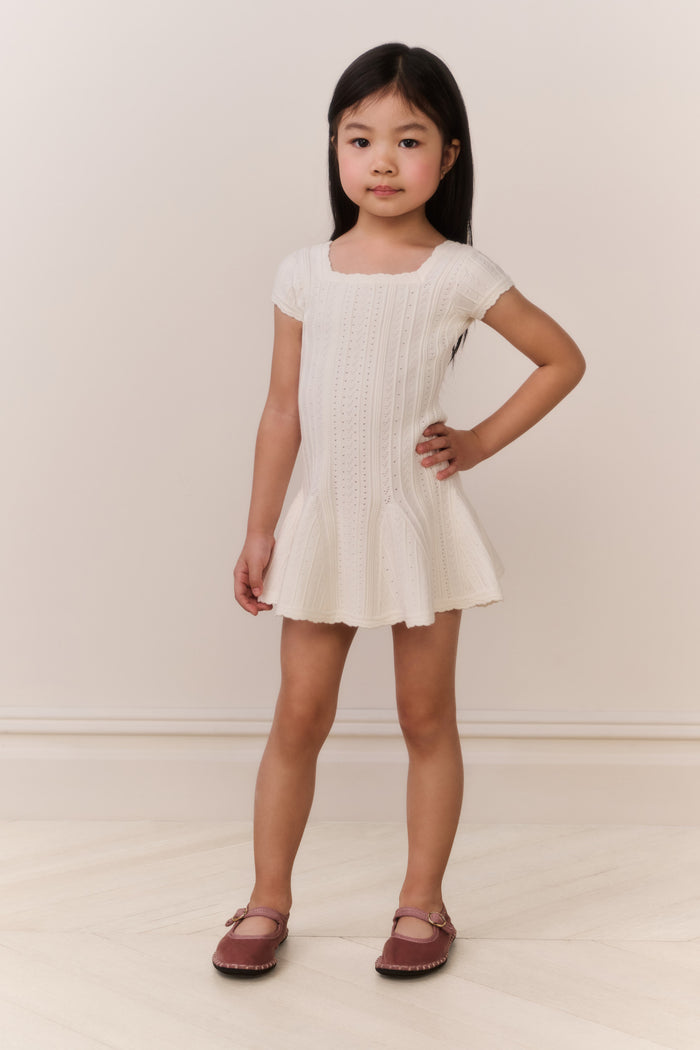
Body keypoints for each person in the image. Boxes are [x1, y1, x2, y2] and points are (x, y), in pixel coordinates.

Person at [212, 42, 585, 979]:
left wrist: (480, 442)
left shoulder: (458, 271)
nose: (382, 161)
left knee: (426, 718)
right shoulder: (304, 272)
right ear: (334, 150)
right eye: (360, 138)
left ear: (448, 156)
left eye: (408, 140)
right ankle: (266, 900)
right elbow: (282, 411)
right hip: (325, 521)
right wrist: (260, 529)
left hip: (418, 522)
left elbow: (561, 358)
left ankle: (424, 905)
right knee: (299, 715)